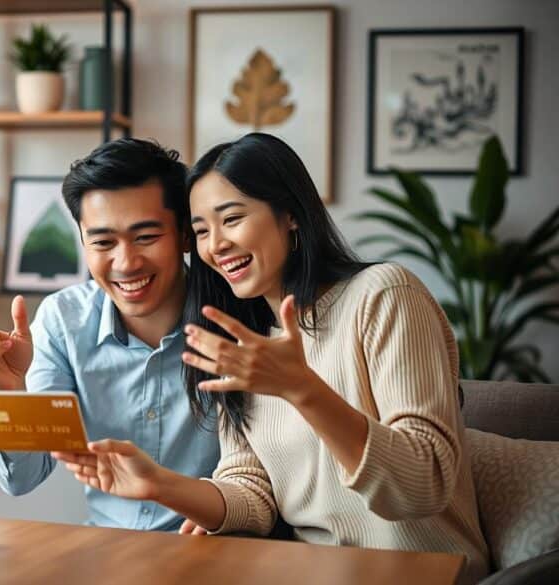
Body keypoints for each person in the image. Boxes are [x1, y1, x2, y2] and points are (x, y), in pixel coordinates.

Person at [52, 133, 489, 584]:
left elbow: (423, 485)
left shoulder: (383, 296)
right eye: (201, 230)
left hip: (424, 574)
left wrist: (303, 390)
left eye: (232, 218)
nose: (215, 245)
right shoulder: (242, 339)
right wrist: (158, 484)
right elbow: (253, 496)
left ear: (291, 215)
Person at [0, 138, 220, 531]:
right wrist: (10, 393)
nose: (125, 263)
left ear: (184, 235)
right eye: (103, 242)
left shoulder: (236, 315)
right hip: (108, 554)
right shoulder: (63, 321)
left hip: (218, 549)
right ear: (82, 242)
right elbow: (22, 480)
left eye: (146, 237)